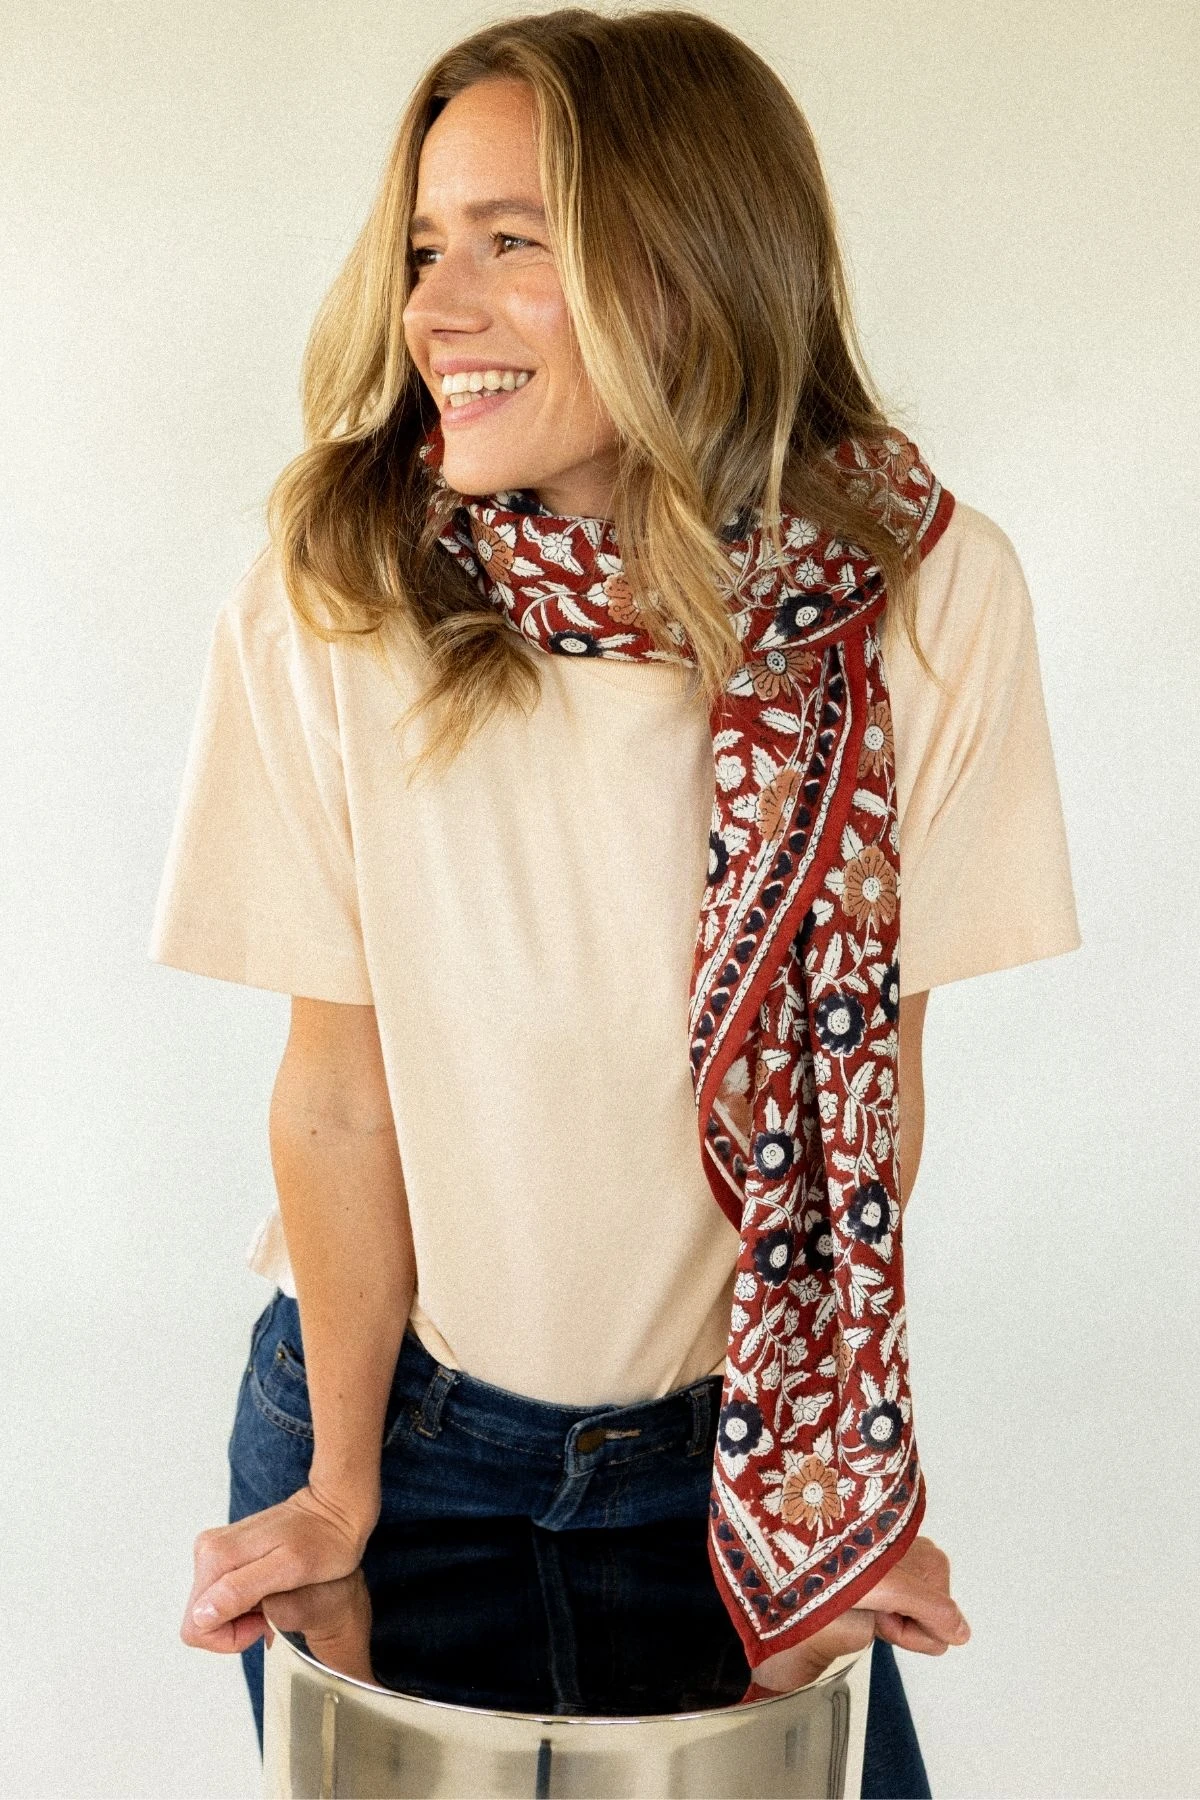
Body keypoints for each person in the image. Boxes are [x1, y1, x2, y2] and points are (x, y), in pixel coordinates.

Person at [149, 9, 1081, 1793]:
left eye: (515, 241)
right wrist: (339, 1486)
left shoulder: (927, 593)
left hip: (732, 1474)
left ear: (696, 263)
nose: (437, 309)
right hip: (400, 1443)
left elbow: (867, 1094)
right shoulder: (339, 588)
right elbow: (340, 1095)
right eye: (423, 248)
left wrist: (822, 1492)